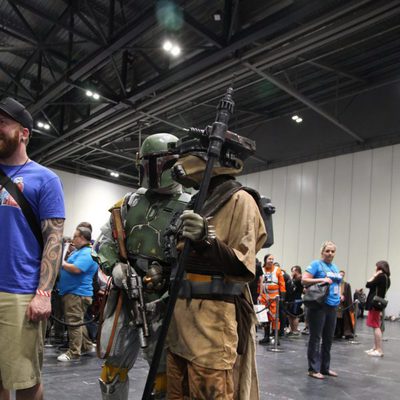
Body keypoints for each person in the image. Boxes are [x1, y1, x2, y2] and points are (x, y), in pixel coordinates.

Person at [166, 129, 267, 399]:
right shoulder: (196, 201)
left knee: (210, 392)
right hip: (179, 318)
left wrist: (205, 238)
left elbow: (243, 268)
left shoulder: (240, 199)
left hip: (212, 322)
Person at [93, 133, 190, 399]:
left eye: (154, 164)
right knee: (111, 371)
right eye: (145, 164)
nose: (149, 171)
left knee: (163, 378)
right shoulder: (130, 202)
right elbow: (104, 241)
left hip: (165, 300)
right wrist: (115, 267)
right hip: (126, 294)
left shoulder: (191, 206)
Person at [0, 97, 65, 400]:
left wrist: (43, 294)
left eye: (2, 123)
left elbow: (53, 238)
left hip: (19, 293)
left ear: (24, 132)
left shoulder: (45, 179)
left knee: (25, 381)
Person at [57, 225, 99, 361]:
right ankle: (86, 346)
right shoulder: (78, 251)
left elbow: (76, 269)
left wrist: (61, 264)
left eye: (75, 236)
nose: (73, 239)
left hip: (77, 294)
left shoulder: (87, 253)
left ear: (82, 238)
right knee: (78, 322)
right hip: (72, 292)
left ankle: (74, 352)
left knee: (73, 323)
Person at [302, 240, 342, 380]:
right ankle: (313, 369)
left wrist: (340, 295)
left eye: (332, 251)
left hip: (332, 306)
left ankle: (325, 368)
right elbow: (304, 280)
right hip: (319, 305)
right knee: (315, 337)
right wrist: (321, 280)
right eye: (327, 251)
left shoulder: (335, 267)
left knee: (328, 338)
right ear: (322, 252)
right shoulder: (316, 264)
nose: (330, 253)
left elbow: (336, 283)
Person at [257, 254, 286, 344]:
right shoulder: (261, 270)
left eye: (272, 259)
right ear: (265, 260)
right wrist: (259, 295)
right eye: (269, 259)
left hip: (274, 298)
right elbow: (258, 283)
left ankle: (275, 337)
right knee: (265, 318)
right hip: (263, 298)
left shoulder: (277, 270)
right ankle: (266, 336)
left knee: (275, 318)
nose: (271, 261)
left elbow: (282, 284)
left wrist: (282, 297)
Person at [365, 260, 391, 357]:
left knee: (375, 326)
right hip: (379, 303)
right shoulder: (387, 278)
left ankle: (379, 350)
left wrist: (374, 275)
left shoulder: (380, 276)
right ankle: (375, 348)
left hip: (374, 303)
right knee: (376, 325)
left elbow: (368, 284)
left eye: (376, 267)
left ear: (380, 268)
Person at [334, 270, 355, 339]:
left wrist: (344, 297)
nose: (341, 276)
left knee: (343, 319)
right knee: (336, 319)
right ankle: (337, 332)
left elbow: (348, 295)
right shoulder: (335, 283)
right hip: (335, 304)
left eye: (342, 275)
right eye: (340, 275)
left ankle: (343, 332)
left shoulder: (346, 285)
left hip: (343, 305)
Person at [286, 265, 303, 335]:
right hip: (291, 299)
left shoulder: (300, 278)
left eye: (293, 271)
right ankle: (291, 329)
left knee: (295, 315)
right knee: (290, 315)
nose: (292, 272)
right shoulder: (293, 278)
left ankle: (295, 330)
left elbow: (297, 285)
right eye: (292, 271)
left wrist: (292, 278)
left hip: (297, 298)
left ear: (297, 271)